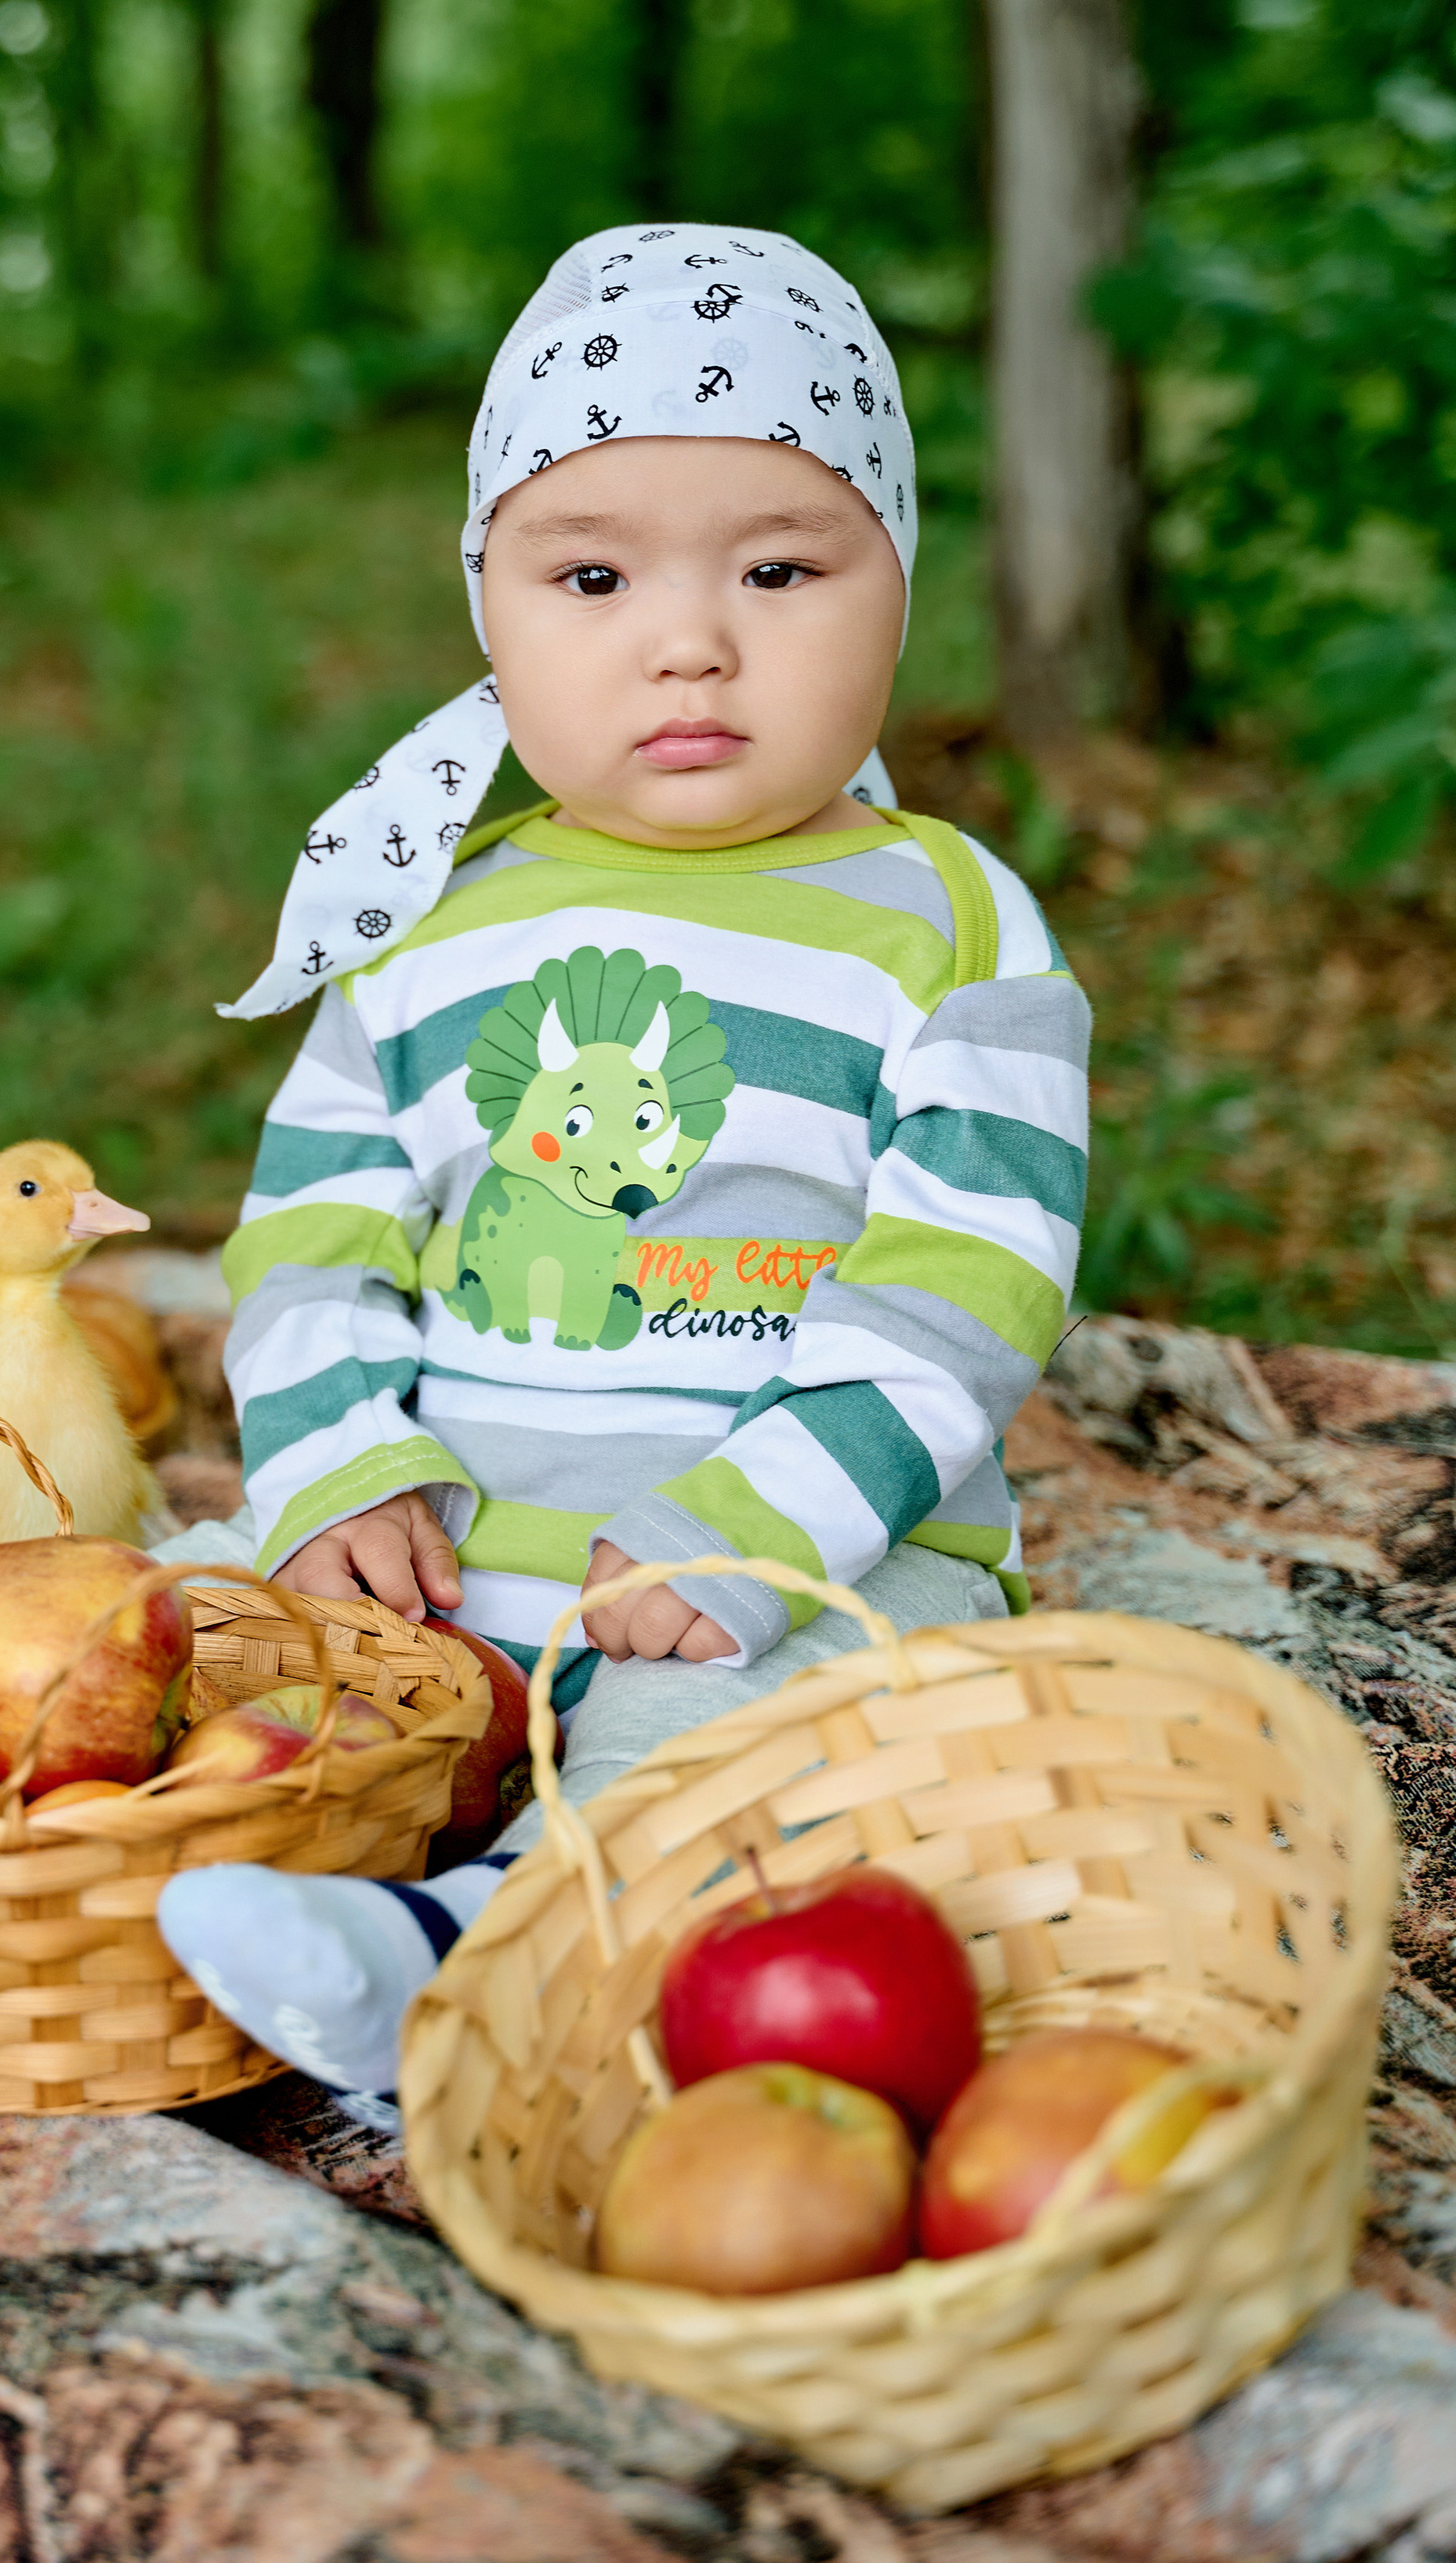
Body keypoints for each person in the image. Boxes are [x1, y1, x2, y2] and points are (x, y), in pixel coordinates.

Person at [155, 224, 1090, 2121]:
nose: (687, 638)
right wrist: (344, 1469)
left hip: (791, 1565)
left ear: (893, 591)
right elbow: (315, 1233)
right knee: (147, 1619)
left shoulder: (943, 922)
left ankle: (454, 1971)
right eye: (588, 573)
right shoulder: (431, 929)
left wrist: (752, 1525)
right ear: (488, 605)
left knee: (750, 1772)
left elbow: (967, 1273)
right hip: (437, 1565)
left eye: (777, 566)